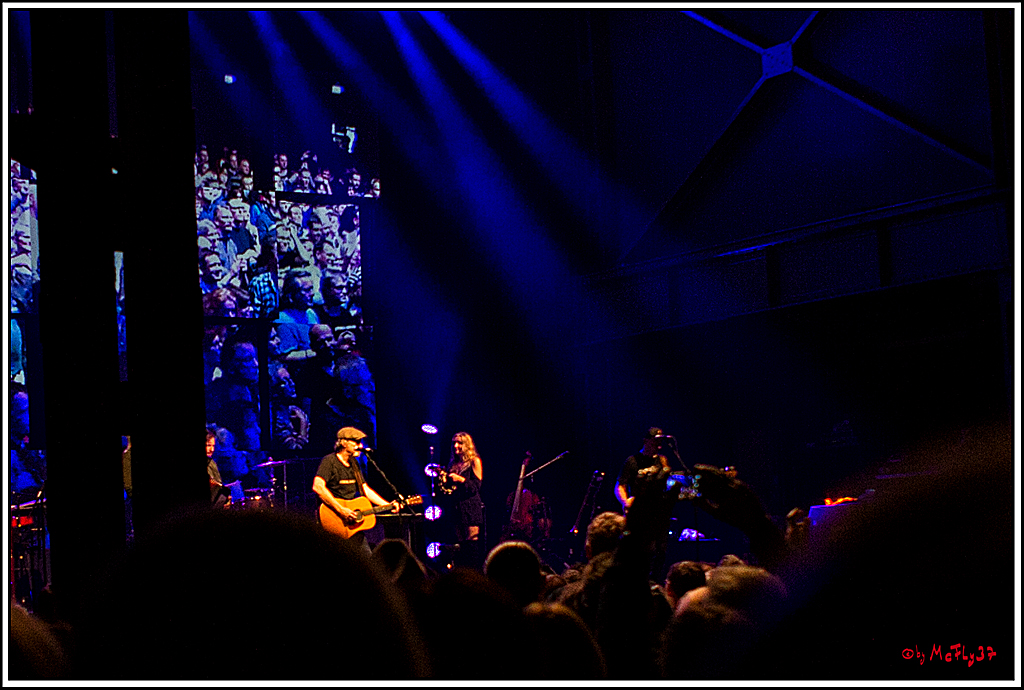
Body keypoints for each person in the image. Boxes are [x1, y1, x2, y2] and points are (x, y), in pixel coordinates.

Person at [312, 426, 395, 553]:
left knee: (367, 562)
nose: (360, 445)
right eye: (356, 442)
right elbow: (318, 487)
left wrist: (387, 505)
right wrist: (341, 510)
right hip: (333, 519)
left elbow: (365, 489)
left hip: (350, 523)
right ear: (344, 443)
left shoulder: (354, 464)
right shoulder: (330, 461)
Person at [442, 431, 484, 568]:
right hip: (456, 507)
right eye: (454, 442)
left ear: (466, 445)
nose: (455, 446)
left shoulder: (474, 461)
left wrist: (460, 479)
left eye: (459, 443)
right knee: (460, 545)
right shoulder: (453, 464)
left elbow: (476, 487)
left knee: (471, 544)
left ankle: (474, 573)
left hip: (470, 507)